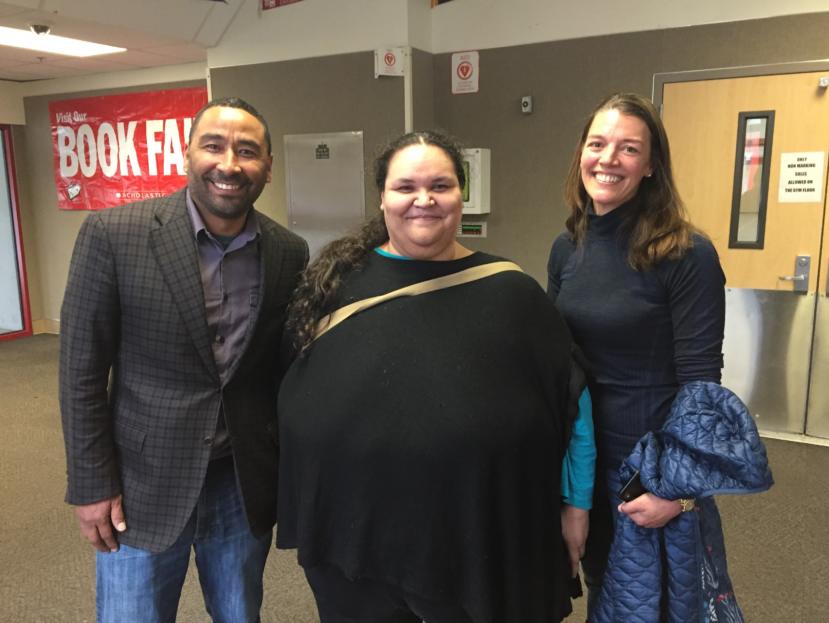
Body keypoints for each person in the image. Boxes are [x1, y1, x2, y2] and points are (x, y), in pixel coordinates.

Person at [276, 130, 595, 623]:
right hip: (355, 543)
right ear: (382, 197)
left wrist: (576, 505)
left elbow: (572, 399)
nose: (423, 200)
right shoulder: (334, 286)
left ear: (461, 195)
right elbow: (298, 394)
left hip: (472, 539)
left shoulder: (510, 293)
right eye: (405, 187)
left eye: (440, 185)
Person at [59, 97, 309, 622]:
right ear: (186, 153)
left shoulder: (289, 251)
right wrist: (91, 484)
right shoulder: (114, 235)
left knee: (241, 613)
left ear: (267, 167)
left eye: (247, 151)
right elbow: (81, 371)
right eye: (213, 146)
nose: (229, 164)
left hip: (239, 483)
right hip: (140, 483)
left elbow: (278, 371)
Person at [547, 92, 746, 619]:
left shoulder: (685, 254)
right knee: (599, 589)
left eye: (628, 148)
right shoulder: (568, 247)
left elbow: (702, 388)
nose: (608, 159)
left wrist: (679, 494)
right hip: (585, 459)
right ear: (581, 154)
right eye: (597, 143)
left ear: (652, 165)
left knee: (656, 605)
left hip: (650, 472)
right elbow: (555, 362)